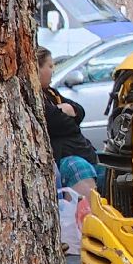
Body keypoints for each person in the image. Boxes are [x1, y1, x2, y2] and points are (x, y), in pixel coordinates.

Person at [38, 47, 100, 193]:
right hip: (64, 156)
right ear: (37, 69)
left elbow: (80, 111)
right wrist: (67, 114)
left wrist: (66, 111)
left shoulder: (52, 93)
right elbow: (57, 122)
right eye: (50, 66)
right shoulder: (36, 96)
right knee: (80, 169)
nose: (53, 70)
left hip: (84, 151)